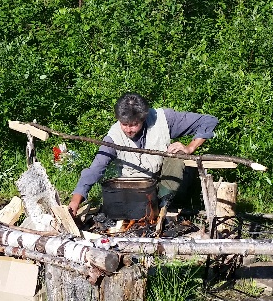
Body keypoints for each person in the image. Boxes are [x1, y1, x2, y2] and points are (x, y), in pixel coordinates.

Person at [67, 92, 218, 216]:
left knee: (177, 157)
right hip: (134, 189)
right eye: (124, 124)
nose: (128, 129)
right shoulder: (113, 138)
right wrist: (76, 200)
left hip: (163, 181)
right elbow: (95, 169)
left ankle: (166, 204)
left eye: (133, 125)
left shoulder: (163, 119)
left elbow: (208, 121)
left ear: (144, 118)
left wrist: (190, 147)